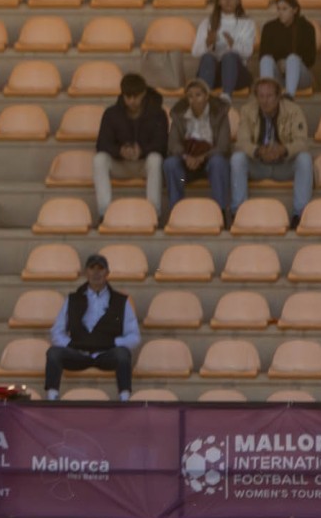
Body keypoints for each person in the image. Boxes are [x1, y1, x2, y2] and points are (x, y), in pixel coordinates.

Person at [44, 253, 140, 402]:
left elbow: (134, 336)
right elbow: (57, 331)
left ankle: (124, 398)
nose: (96, 273)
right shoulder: (72, 299)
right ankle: (52, 397)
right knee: (53, 353)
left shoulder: (121, 301)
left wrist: (112, 343)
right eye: (92, 268)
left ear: (107, 273)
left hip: (107, 354)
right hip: (78, 353)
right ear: (85, 272)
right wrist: (71, 344)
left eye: (100, 268)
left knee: (123, 354)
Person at [230, 77, 313, 223]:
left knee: (304, 159)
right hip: (258, 164)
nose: (265, 101)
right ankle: (239, 212)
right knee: (237, 159)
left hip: (284, 164)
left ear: (278, 96)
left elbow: (302, 142)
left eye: (269, 96)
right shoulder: (247, 110)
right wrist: (258, 151)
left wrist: (284, 150)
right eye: (261, 96)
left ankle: (300, 215)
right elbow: (242, 142)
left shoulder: (293, 110)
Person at [91, 72, 167, 219]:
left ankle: (154, 213)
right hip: (120, 163)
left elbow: (162, 143)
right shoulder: (111, 113)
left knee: (155, 159)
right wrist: (120, 151)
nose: (132, 101)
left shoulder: (158, 114)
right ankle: (104, 213)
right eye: (128, 96)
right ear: (123, 95)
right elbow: (102, 143)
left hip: (144, 163)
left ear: (143, 93)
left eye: (135, 96)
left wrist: (142, 151)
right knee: (99, 160)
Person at [162, 79, 232, 221]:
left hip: (209, 165)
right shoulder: (179, 115)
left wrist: (203, 157)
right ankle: (176, 211)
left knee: (218, 163)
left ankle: (220, 213)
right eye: (190, 96)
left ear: (206, 96)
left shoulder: (220, 113)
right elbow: (173, 144)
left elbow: (223, 145)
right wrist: (186, 157)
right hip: (186, 169)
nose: (194, 100)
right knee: (170, 164)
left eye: (198, 95)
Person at [192, 0, 255, 100]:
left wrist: (233, 44)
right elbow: (195, 52)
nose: (228, 0)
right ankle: (205, 99)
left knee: (229, 56)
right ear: (219, 2)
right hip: (214, 75)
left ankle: (226, 97)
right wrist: (207, 43)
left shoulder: (247, 23)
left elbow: (248, 52)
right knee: (208, 57)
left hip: (237, 75)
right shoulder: (208, 22)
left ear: (238, 0)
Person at [257, 0, 316, 99]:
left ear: (295, 10)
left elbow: (310, 59)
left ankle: (289, 96)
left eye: (284, 9)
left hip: (300, 75)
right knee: (266, 60)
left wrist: (289, 63)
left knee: (292, 59)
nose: (280, 12)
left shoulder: (306, 28)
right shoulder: (269, 28)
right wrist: (279, 63)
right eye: (278, 9)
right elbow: (263, 54)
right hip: (278, 76)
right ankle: (267, 96)